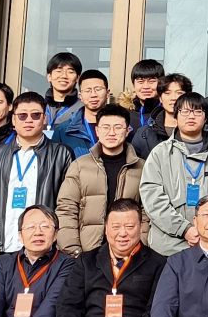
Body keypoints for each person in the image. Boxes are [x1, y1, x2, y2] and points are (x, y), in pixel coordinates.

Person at [140, 93, 208, 258]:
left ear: (205, 118)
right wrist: (184, 229)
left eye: (197, 111)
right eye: (185, 111)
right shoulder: (160, 153)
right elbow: (152, 199)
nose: (191, 116)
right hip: (167, 247)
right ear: (176, 116)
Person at [0, 92, 76, 254]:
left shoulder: (61, 154)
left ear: (44, 118)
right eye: (22, 116)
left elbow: (67, 207)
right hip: (1, 247)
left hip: (43, 249)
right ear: (13, 120)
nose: (28, 120)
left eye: (35, 115)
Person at [55, 104, 142, 255]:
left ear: (127, 130)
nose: (111, 133)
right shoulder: (79, 166)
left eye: (118, 127)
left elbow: (147, 213)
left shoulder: (142, 168)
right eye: (106, 127)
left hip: (131, 253)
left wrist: (141, 247)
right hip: (87, 252)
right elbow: (66, 209)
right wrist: (73, 250)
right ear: (97, 131)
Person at [51, 69, 111, 157]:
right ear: (80, 96)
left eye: (98, 89)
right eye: (87, 90)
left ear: (108, 93)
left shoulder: (121, 127)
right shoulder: (63, 130)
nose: (93, 95)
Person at [128, 74, 193, 156]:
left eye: (179, 93)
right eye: (167, 93)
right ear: (160, 98)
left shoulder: (200, 130)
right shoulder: (144, 133)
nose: (173, 98)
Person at [39, 52, 84, 136]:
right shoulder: (38, 106)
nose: (64, 76)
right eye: (59, 71)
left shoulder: (83, 109)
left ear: (77, 78)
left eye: (70, 72)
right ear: (49, 77)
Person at [123, 58, 168, 129]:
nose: (146, 87)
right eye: (140, 82)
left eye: (152, 81)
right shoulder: (123, 113)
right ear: (133, 85)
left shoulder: (168, 111)